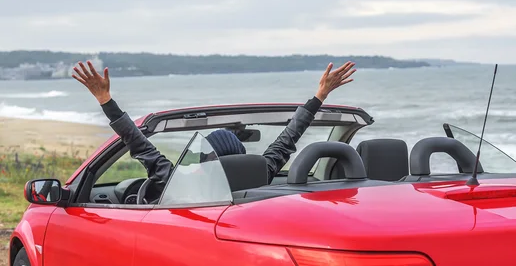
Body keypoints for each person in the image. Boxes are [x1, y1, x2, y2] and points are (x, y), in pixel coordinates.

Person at [72, 60, 356, 187]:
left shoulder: (181, 187)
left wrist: (105, 100)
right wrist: (320, 95)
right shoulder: (263, 176)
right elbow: (289, 138)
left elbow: (137, 143)